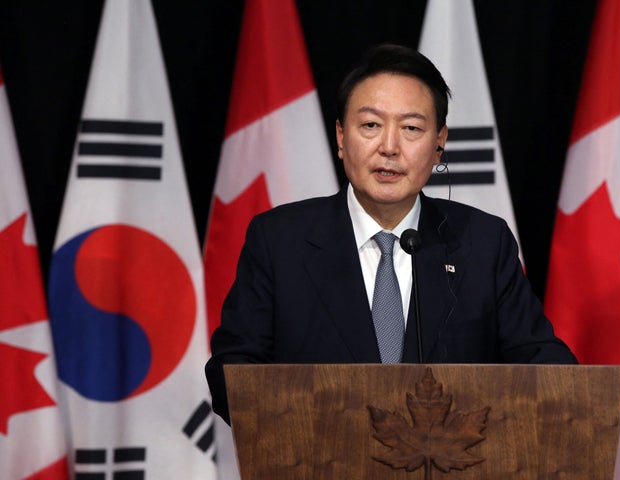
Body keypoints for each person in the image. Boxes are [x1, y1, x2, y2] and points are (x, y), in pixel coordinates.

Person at [205, 44, 576, 424]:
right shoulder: (279, 241)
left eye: (412, 128)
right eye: (370, 125)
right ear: (340, 136)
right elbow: (232, 372)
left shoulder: (483, 243)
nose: (389, 147)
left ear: (438, 144)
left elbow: (545, 368)